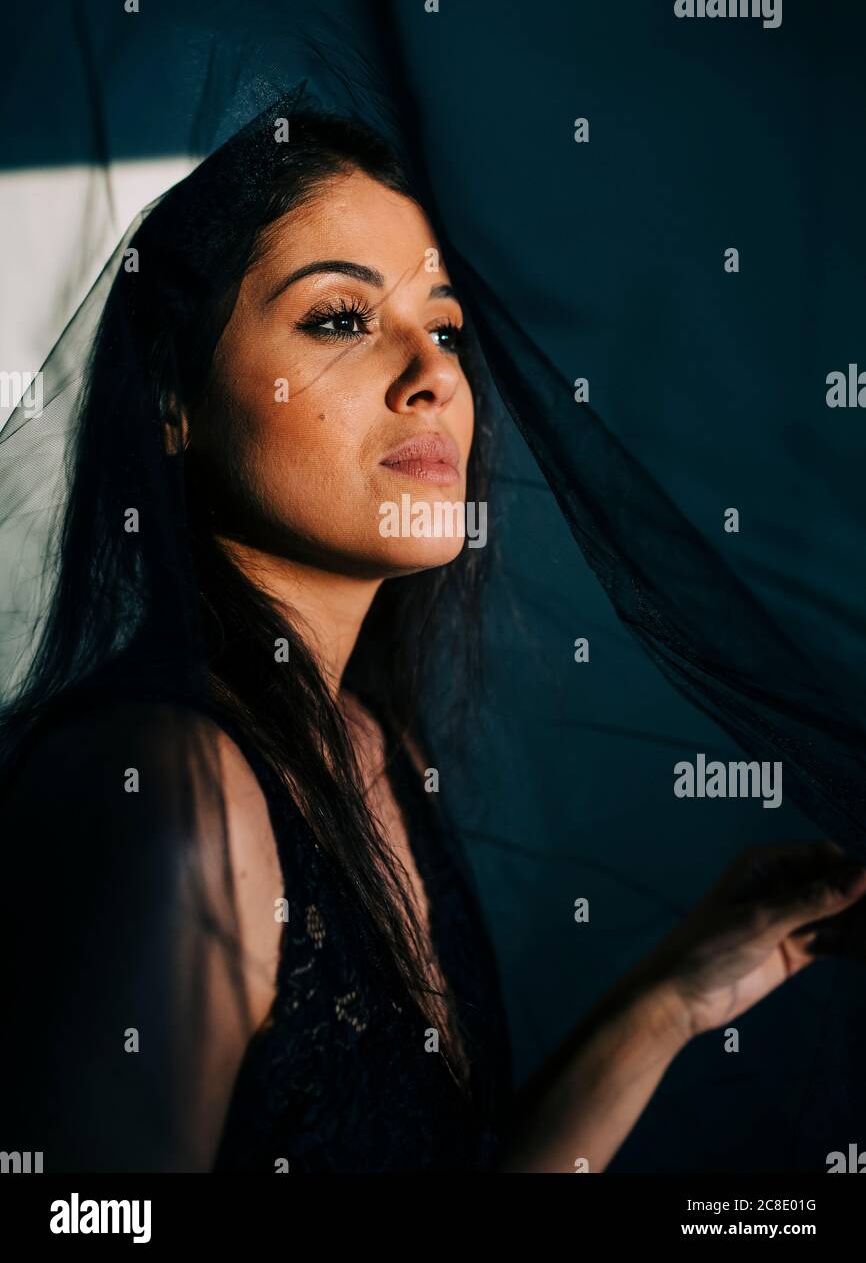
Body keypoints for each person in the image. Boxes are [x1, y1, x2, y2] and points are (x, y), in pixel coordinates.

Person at [1, 93, 864, 1173]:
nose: (434, 376)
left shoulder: (371, 744)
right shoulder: (170, 788)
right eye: (338, 318)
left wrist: (672, 1001)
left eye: (444, 326)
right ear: (173, 392)